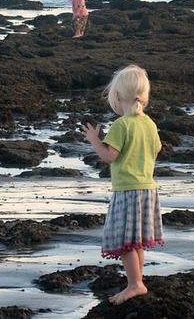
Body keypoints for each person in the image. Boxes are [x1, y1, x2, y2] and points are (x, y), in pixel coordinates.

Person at [83, 64, 163, 306]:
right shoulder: (148, 123)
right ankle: (138, 280)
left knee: (125, 242)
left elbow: (109, 157)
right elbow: (156, 150)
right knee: (137, 239)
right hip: (148, 189)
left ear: (117, 96)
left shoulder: (121, 125)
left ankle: (135, 284)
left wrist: (94, 140)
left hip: (127, 190)